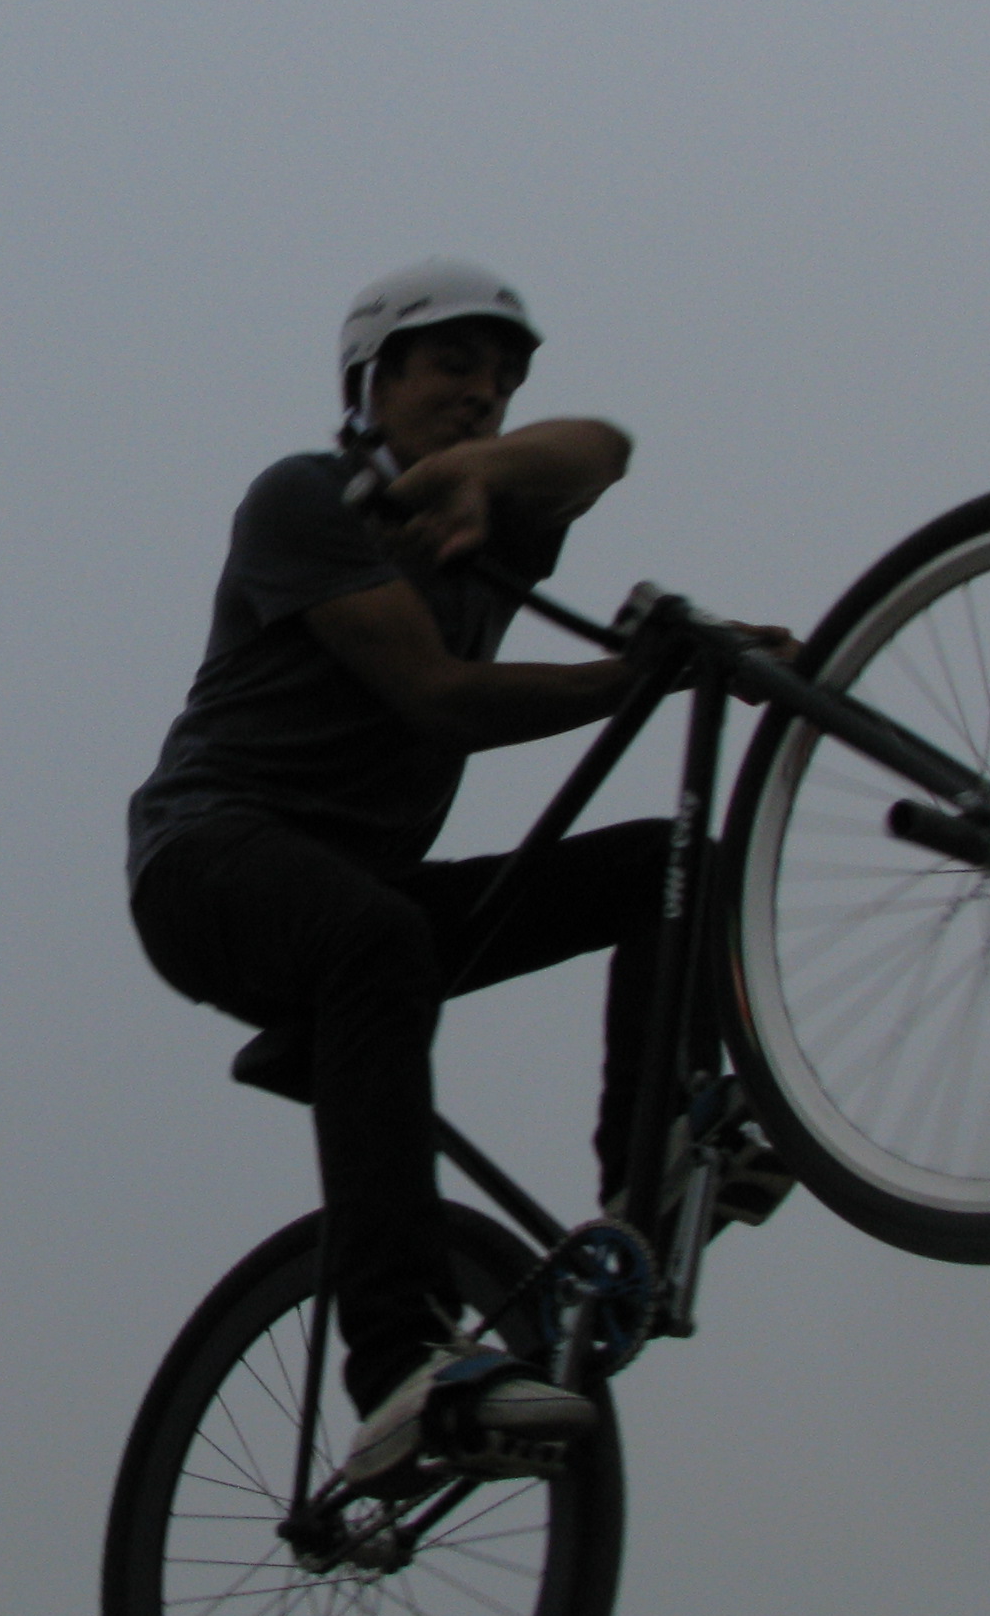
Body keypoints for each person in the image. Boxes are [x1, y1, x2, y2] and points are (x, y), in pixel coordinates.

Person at [124, 258, 670, 1488]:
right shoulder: (307, 498)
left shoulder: (491, 521)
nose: (482, 391)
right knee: (378, 938)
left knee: (665, 866)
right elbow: (437, 695)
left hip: (367, 895)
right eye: (451, 366)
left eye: (502, 377)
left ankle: (655, 1186)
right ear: (370, 384)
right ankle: (399, 1367)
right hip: (209, 863)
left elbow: (605, 450)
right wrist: (627, 680)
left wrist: (489, 471)